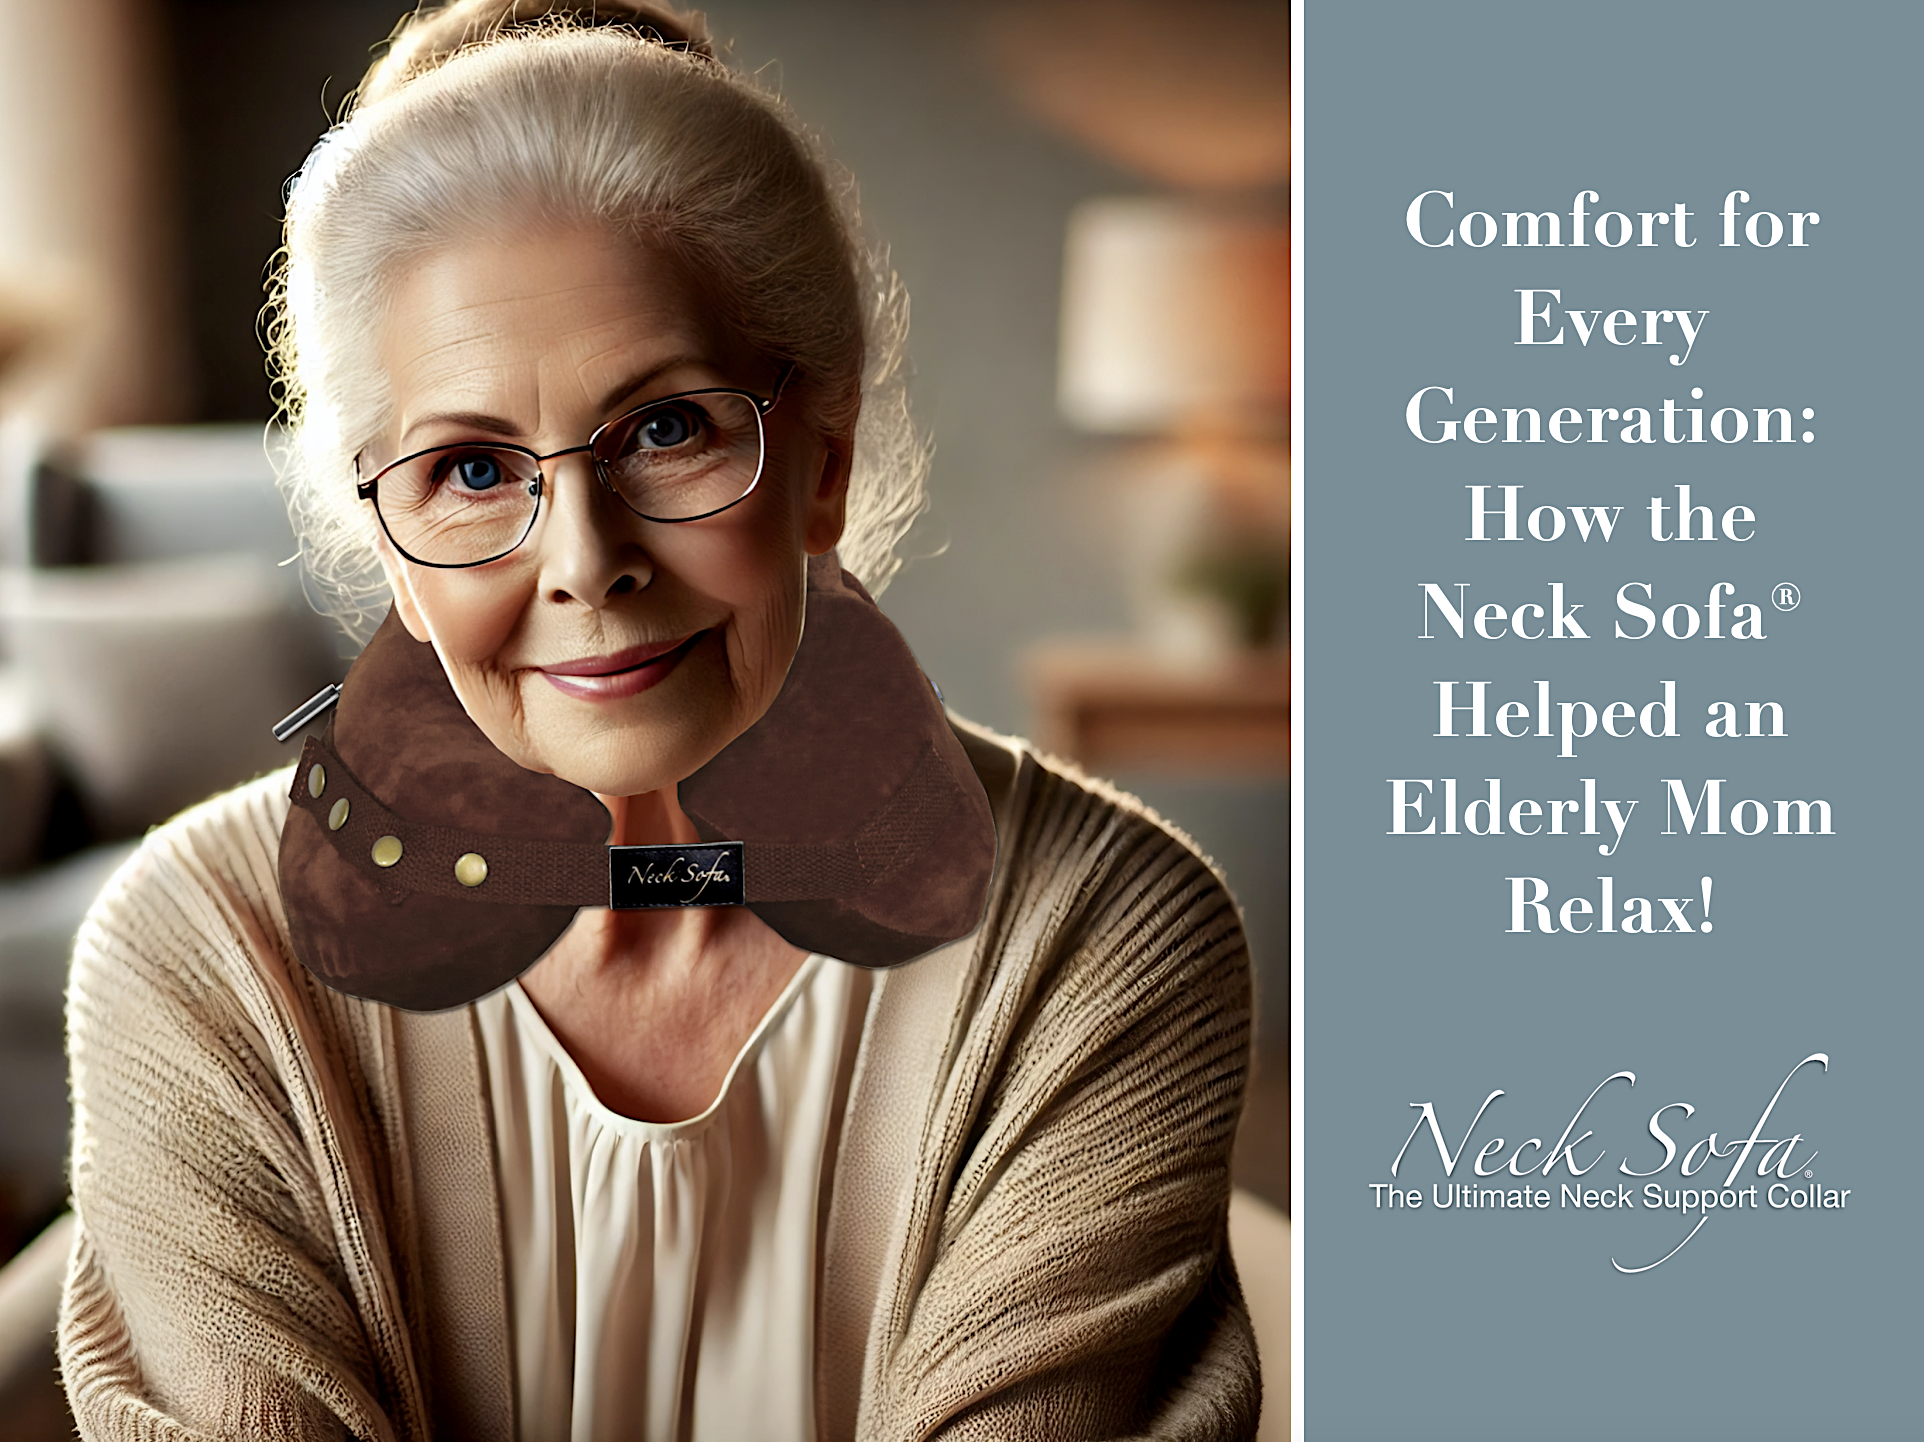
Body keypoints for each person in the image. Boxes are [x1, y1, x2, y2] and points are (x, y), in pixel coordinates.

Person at [58, 4, 1258, 1437]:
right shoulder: (207, 952)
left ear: (822, 456)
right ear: (387, 544)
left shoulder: (1097, 933)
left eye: (668, 427)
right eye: (472, 466)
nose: (583, 558)